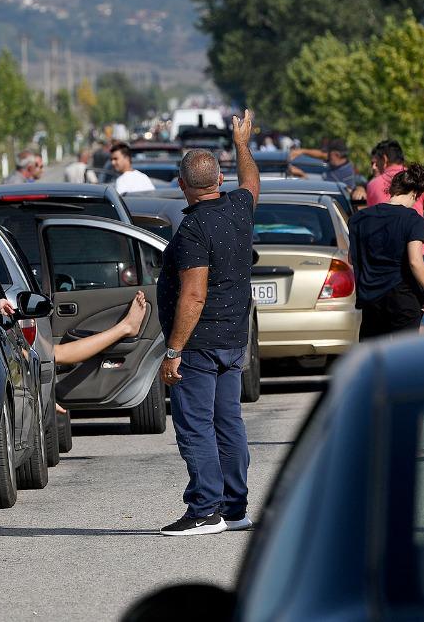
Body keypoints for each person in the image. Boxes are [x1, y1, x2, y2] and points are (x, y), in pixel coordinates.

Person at [156, 110, 259, 537]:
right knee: (228, 422)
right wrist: (241, 143)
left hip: (200, 345)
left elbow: (194, 294)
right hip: (235, 339)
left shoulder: (195, 228)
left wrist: (174, 350)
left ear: (183, 185)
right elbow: (251, 182)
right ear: (218, 180)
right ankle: (235, 508)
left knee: (196, 425)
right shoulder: (238, 208)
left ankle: (205, 509)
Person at [348, 163, 424, 339]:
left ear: (393, 190)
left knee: (373, 358)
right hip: (403, 299)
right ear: (414, 194)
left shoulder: (360, 218)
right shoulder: (413, 219)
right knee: (404, 358)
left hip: (371, 300)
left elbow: (352, 258)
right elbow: (415, 262)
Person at [365, 139, 424, 227]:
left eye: (377, 162)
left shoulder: (372, 185)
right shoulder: (417, 179)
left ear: (384, 159)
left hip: (383, 240)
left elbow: (371, 221)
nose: (375, 166)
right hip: (416, 238)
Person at [288, 139, 364, 189]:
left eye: (329, 153)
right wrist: (302, 151)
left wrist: (302, 175)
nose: (326, 155)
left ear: (337, 155)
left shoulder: (343, 174)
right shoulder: (340, 161)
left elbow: (318, 186)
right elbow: (321, 155)